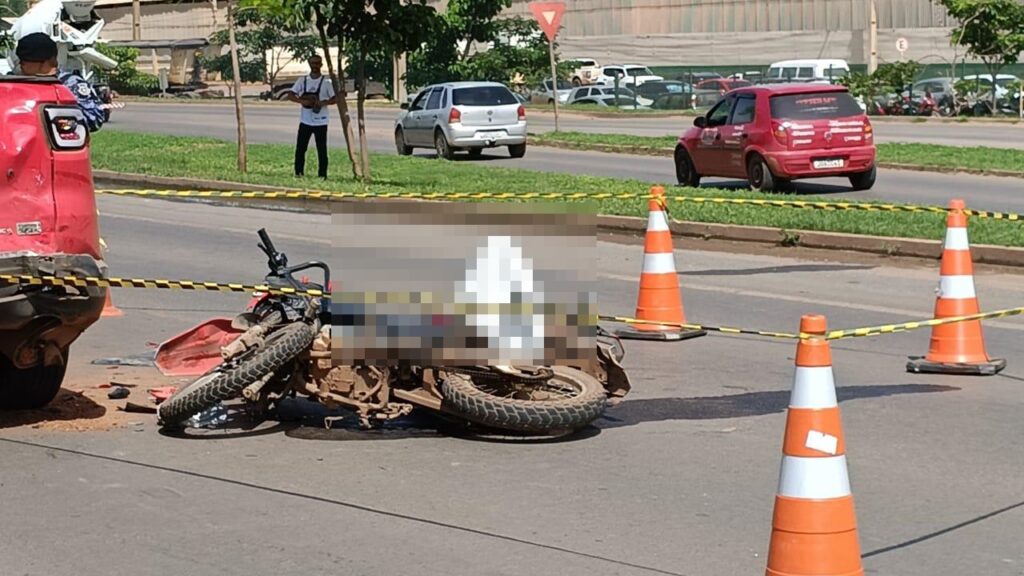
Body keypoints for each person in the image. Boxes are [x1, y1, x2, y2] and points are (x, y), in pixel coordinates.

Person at [14, 32, 106, 133]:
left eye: (26, 60)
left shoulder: (71, 84)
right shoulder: (21, 84)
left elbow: (95, 119)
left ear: (48, 61)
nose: (21, 65)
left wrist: (62, 120)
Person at [287, 54, 337, 179]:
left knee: (322, 150)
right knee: (300, 149)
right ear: (309, 64)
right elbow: (291, 95)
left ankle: (322, 175)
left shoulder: (326, 82)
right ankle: (298, 173)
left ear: (321, 64)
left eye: (317, 63)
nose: (315, 66)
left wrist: (322, 103)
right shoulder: (303, 80)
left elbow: (335, 98)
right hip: (305, 121)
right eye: (312, 63)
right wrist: (302, 102)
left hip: (321, 122)